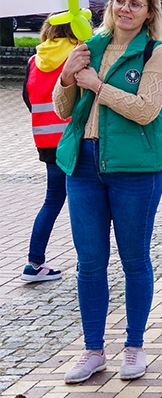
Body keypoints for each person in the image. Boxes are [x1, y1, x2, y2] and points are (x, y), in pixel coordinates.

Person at [53, 0, 162, 383]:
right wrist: (68, 75)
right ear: (110, 5)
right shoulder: (91, 45)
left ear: (147, 11)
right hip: (83, 166)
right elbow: (62, 109)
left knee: (135, 260)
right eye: (119, 0)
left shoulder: (156, 52)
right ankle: (92, 350)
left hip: (134, 171)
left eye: (134, 3)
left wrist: (96, 84)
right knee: (89, 263)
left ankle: (134, 347)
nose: (125, 8)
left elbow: (146, 110)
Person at [21, 20, 78, 283]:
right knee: (84, 203)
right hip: (73, 138)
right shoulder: (77, 54)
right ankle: (86, 262)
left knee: (52, 201)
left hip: (45, 140)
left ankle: (34, 262)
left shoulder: (35, 59)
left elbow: (27, 97)